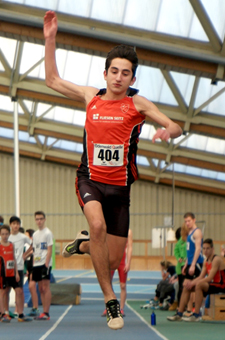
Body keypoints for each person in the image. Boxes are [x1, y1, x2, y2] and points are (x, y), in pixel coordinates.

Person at [44, 10, 182, 330]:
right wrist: (50, 39)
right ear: (105, 74)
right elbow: (52, 80)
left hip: (120, 192)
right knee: (97, 224)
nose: (119, 77)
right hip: (89, 180)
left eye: (125, 73)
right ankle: (110, 303)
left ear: (132, 79)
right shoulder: (90, 97)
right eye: (114, 71)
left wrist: (167, 133)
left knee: (108, 260)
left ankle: (84, 245)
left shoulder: (138, 105)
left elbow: (174, 124)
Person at [167, 212, 204, 321]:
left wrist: (192, 265)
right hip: (190, 263)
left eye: (189, 221)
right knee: (185, 287)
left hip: (197, 263)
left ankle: (196, 314)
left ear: (194, 220)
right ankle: (179, 313)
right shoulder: (189, 233)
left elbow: (198, 249)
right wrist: (186, 264)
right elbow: (190, 251)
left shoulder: (197, 233)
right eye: (185, 221)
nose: (187, 223)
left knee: (196, 287)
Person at [180, 238, 225, 322]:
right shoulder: (206, 261)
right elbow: (201, 277)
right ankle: (179, 313)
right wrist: (191, 283)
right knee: (187, 287)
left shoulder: (216, 260)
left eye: (208, 248)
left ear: (212, 249)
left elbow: (209, 278)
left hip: (221, 285)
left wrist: (196, 283)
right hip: (213, 285)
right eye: (204, 248)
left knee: (199, 285)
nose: (205, 251)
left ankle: (196, 314)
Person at [0, 224, 32, 322]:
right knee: (3, 293)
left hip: (13, 273)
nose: (5, 236)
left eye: (6, 234)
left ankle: (20, 314)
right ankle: (3, 313)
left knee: (19, 291)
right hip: (3, 274)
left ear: (9, 234)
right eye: (3, 234)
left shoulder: (11, 245)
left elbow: (13, 258)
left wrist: (17, 273)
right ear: (0, 235)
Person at [101, 229, 133, 317]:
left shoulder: (128, 231)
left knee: (123, 285)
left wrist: (128, 262)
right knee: (107, 285)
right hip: (111, 259)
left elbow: (130, 247)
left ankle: (121, 309)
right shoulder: (108, 229)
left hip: (122, 261)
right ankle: (109, 307)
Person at [32, 211, 53, 321]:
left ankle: (46, 312)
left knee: (45, 287)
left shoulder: (48, 233)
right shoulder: (35, 234)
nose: (39, 221)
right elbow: (35, 250)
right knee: (40, 288)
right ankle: (43, 312)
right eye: (37, 219)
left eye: (41, 219)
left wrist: (46, 263)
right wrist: (33, 264)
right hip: (36, 263)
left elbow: (50, 249)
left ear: (44, 219)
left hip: (45, 264)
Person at [172, 223, 188, 310]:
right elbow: (176, 251)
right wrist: (179, 258)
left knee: (186, 288)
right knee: (181, 288)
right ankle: (179, 306)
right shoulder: (180, 242)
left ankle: (186, 306)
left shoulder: (190, 240)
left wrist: (187, 259)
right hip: (180, 268)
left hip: (188, 266)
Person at [24, 229, 39, 317]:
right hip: (30, 267)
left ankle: (36, 308)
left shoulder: (35, 244)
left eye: (26, 235)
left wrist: (26, 255)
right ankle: (35, 307)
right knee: (31, 288)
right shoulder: (27, 245)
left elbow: (34, 251)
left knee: (31, 286)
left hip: (35, 267)